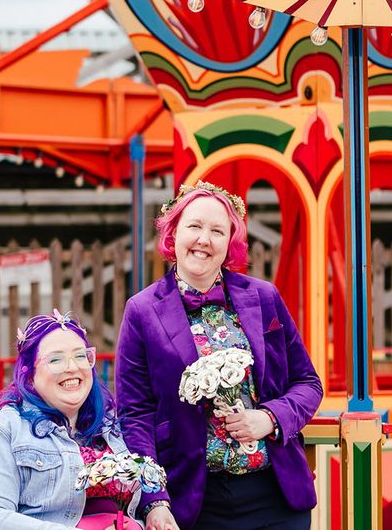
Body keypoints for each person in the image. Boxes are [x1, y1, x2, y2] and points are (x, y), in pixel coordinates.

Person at [116, 181, 323, 530]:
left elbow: (308, 383)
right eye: (194, 226)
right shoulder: (141, 311)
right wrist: (153, 499)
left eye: (217, 231)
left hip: (275, 495)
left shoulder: (265, 297)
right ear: (173, 233)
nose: (204, 239)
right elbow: (135, 415)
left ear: (230, 243)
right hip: (193, 501)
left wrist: (270, 418)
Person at [0, 310, 143, 529]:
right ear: (29, 375)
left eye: (80, 356)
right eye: (56, 359)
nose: (72, 367)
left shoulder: (110, 426)